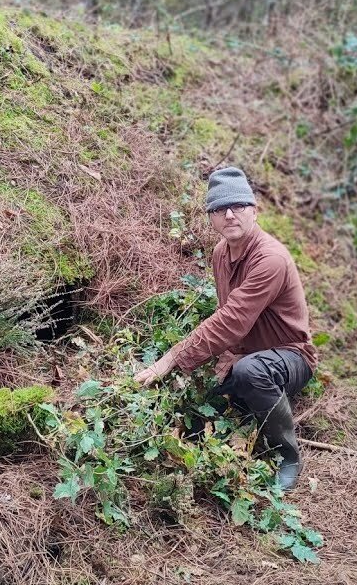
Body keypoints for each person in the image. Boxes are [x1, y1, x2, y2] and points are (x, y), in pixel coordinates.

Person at [135, 166, 317, 490]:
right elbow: (226, 313)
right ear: (211, 217)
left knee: (250, 373)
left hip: (291, 356)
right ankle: (250, 407)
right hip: (249, 353)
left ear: (254, 210)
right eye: (220, 209)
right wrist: (224, 357)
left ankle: (287, 455)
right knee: (210, 395)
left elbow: (232, 320)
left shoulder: (270, 258)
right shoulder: (221, 252)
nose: (230, 215)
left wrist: (171, 358)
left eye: (238, 207)